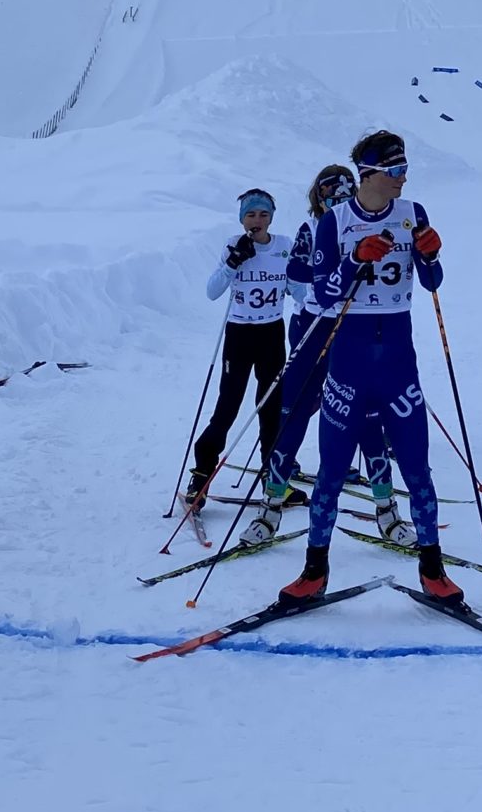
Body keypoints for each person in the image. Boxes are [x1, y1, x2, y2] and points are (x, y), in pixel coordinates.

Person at [277, 131, 459, 608]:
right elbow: (319, 296)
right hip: (350, 360)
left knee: (417, 467)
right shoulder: (334, 222)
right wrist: (355, 260)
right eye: (395, 172)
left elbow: (432, 280)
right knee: (333, 469)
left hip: (399, 360)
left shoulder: (412, 212)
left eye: (405, 170)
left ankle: (433, 569)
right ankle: (314, 570)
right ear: (370, 175)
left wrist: (431, 253)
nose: (403, 179)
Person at [243, 165, 404, 546]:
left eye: (345, 194)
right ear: (319, 199)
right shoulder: (311, 230)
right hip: (313, 329)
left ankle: (387, 510)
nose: (338, 201)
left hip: (354, 331)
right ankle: (271, 506)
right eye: (331, 196)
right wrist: (322, 297)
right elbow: (297, 280)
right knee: (292, 413)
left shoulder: (366, 229)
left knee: (366, 416)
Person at [182, 189, 293, 513]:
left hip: (273, 333)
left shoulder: (284, 246)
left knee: (271, 410)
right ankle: (200, 477)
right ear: (242, 218)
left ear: (271, 217)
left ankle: (273, 482)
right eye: (250, 215)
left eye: (263, 214)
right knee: (227, 408)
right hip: (240, 334)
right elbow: (212, 291)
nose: (257, 221)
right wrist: (233, 262)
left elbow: (297, 289)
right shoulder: (234, 244)